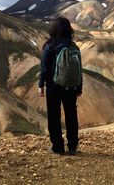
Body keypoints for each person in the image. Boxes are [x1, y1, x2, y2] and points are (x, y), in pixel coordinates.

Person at [38, 17, 82, 155]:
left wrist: (41, 85)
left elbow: (44, 68)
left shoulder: (49, 46)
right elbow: (79, 69)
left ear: (53, 29)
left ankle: (58, 147)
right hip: (71, 87)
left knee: (54, 116)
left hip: (53, 86)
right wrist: (79, 87)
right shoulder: (73, 47)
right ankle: (73, 146)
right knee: (71, 115)